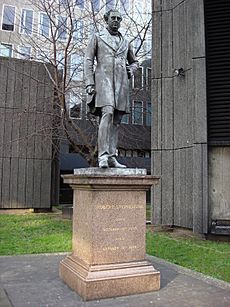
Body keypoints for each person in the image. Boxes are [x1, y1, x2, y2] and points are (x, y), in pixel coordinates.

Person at [84, 9, 139, 168]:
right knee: (107, 113)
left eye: (119, 19)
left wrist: (131, 69)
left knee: (116, 120)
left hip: (121, 83)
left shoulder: (125, 41)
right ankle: (103, 156)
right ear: (106, 19)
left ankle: (112, 156)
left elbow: (135, 61)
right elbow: (88, 60)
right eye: (113, 18)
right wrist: (89, 82)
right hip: (103, 82)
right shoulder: (97, 37)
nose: (116, 21)